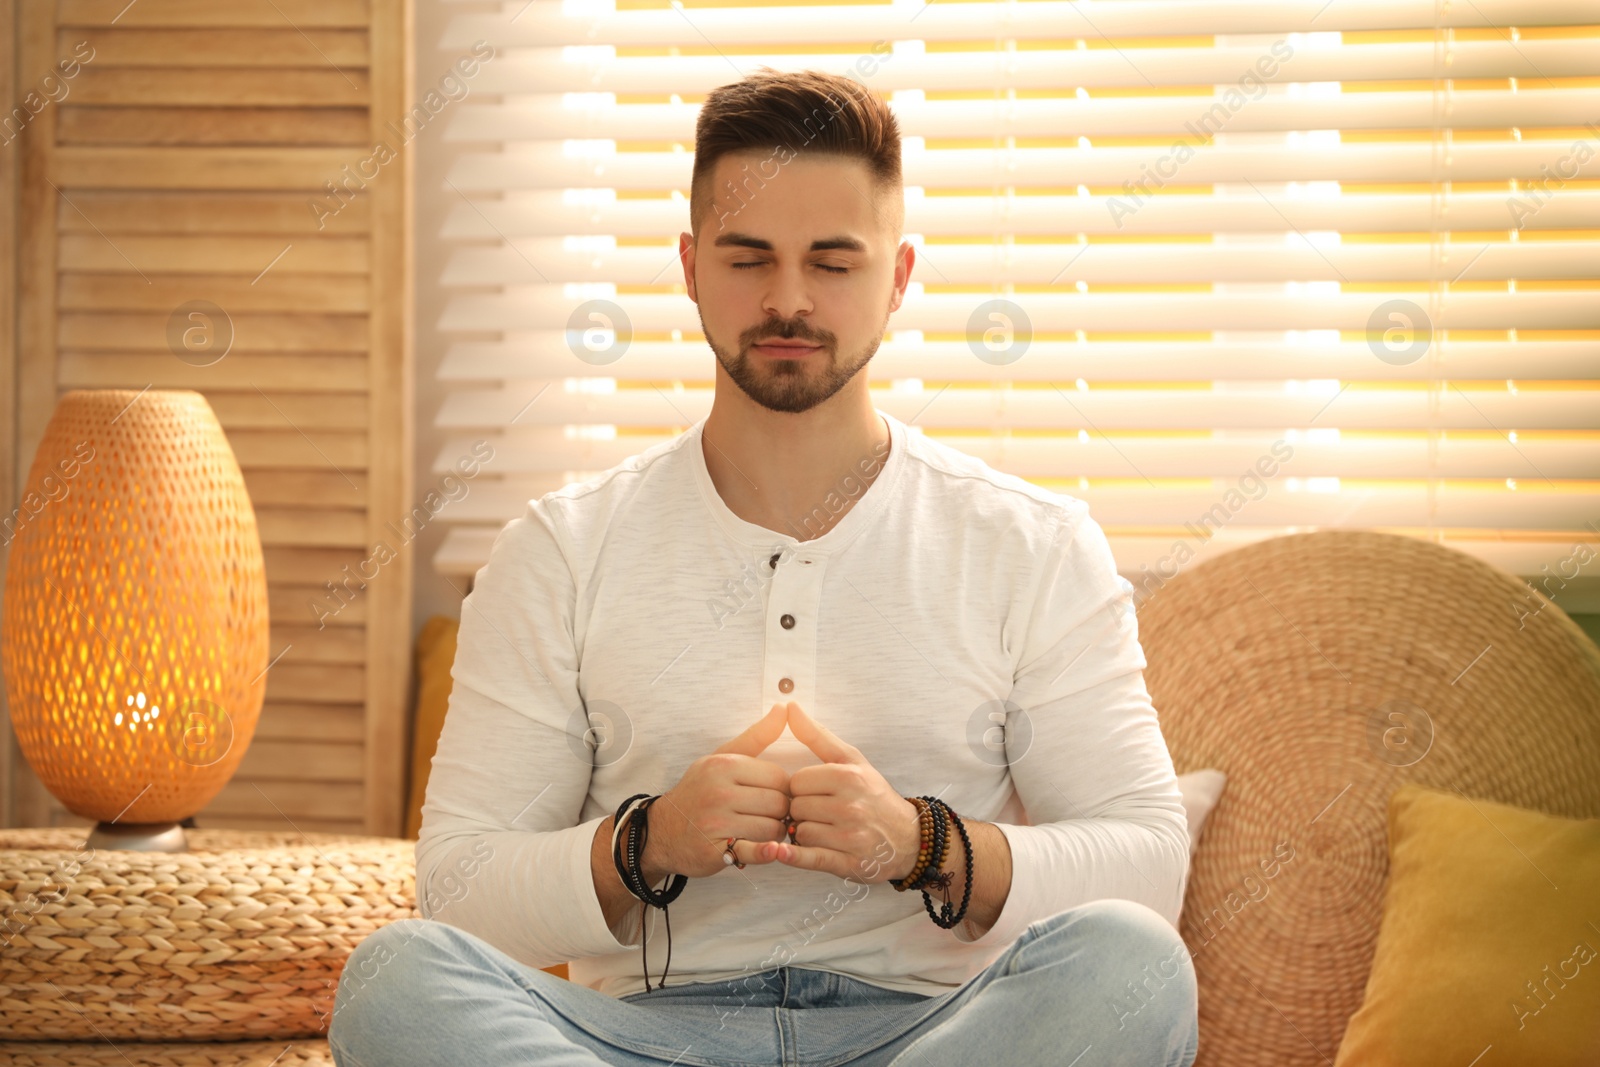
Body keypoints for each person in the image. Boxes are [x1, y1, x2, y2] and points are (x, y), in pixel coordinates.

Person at [329, 66, 1199, 1067]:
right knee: (398, 975)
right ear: (692, 267)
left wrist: (928, 845)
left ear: (899, 276)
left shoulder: (1031, 544)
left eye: (833, 262)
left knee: (1131, 959)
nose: (788, 299)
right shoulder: (558, 550)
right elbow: (459, 891)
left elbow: (1146, 868)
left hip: (932, 1034)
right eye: (750, 258)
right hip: (634, 1040)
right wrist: (644, 840)